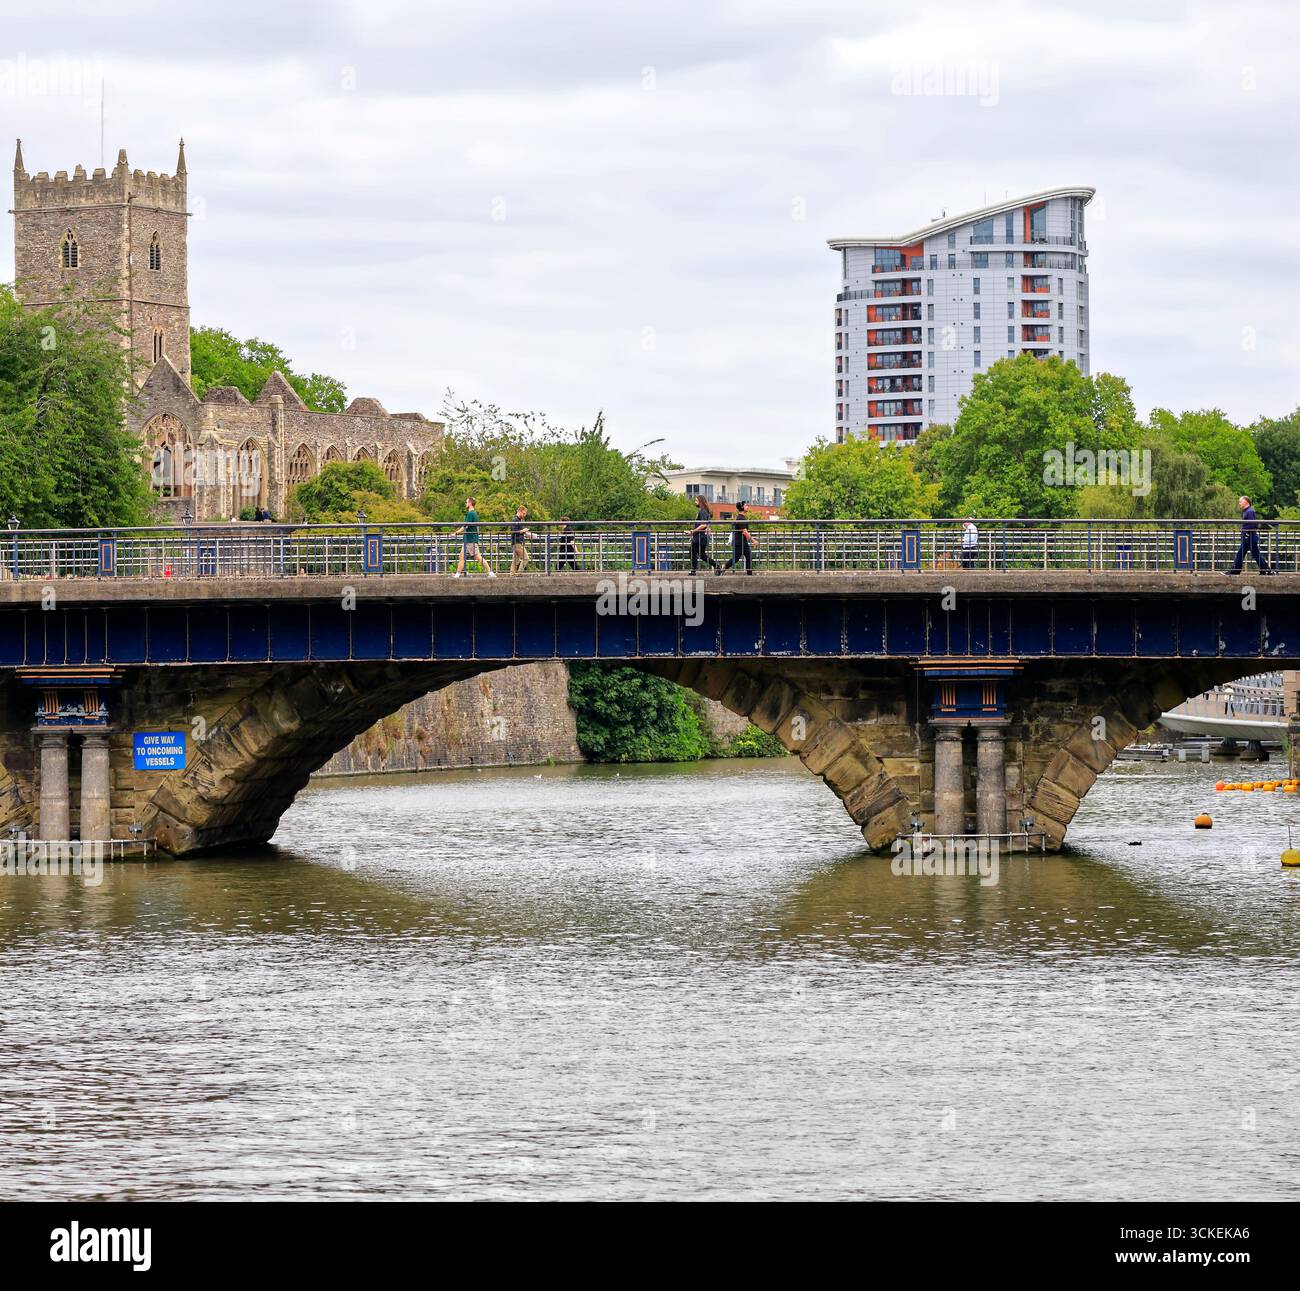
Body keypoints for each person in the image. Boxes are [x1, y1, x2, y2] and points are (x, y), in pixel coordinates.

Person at [1225, 495, 1272, 575]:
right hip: (1249, 537)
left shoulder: (1249, 511)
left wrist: (1246, 534)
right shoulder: (1247, 511)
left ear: (1246, 501)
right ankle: (1265, 569)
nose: (1239, 503)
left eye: (1240, 501)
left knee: (1246, 554)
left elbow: (1251, 524)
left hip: (1249, 537)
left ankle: (1235, 571)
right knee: (1250, 554)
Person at [453, 495, 496, 578]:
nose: (465, 503)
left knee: (477, 557)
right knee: (463, 556)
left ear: (470, 503)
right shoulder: (474, 513)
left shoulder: (470, 513)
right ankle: (457, 575)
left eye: (466, 502)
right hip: (470, 539)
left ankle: (490, 572)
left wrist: (456, 533)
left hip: (470, 539)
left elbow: (465, 526)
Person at [720, 499, 755, 575]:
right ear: (742, 507)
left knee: (748, 556)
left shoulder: (742, 517)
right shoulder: (740, 518)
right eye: (746, 505)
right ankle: (724, 567)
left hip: (743, 541)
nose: (748, 507)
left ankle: (749, 574)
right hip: (739, 542)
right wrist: (753, 541)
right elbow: (744, 532)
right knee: (736, 558)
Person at [688, 496, 719, 574]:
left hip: (699, 537)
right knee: (702, 555)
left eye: (696, 500)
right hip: (701, 537)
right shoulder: (704, 511)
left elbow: (704, 524)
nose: (695, 502)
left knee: (693, 552)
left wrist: (692, 531)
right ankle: (717, 566)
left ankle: (693, 571)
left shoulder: (702, 511)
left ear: (700, 502)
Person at [509, 504, 534, 574]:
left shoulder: (518, 520)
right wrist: (523, 531)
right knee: (526, 558)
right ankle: (519, 573)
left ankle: (512, 574)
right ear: (520, 511)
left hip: (516, 542)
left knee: (515, 560)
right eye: (523, 513)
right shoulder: (515, 520)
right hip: (517, 543)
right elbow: (514, 531)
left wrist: (525, 533)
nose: (524, 515)